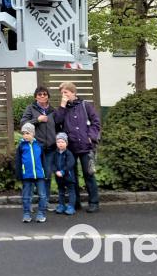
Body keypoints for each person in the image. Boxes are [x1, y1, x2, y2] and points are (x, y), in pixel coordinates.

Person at [53, 82, 101, 213]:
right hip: (71, 148)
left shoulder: (85, 105)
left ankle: (94, 203)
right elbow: (57, 123)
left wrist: (91, 136)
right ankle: (76, 203)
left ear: (73, 93)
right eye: (62, 93)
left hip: (86, 146)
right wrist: (62, 106)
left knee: (88, 174)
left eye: (66, 92)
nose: (64, 95)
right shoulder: (62, 109)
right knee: (71, 176)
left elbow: (96, 122)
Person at [20, 86, 57, 204]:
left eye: (44, 94)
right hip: (36, 147)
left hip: (50, 148)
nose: (42, 96)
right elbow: (23, 124)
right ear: (36, 96)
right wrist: (38, 119)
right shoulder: (30, 108)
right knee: (33, 174)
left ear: (48, 97)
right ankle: (29, 202)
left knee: (47, 175)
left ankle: (45, 202)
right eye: (39, 94)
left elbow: (58, 126)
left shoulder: (53, 110)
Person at [15, 123, 47, 223]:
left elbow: (43, 160)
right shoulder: (21, 146)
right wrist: (19, 174)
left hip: (39, 175)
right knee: (26, 196)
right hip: (27, 175)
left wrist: (45, 171)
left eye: (27, 133)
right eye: (23, 133)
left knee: (42, 195)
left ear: (33, 134)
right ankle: (26, 214)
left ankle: (41, 213)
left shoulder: (39, 145)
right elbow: (18, 161)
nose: (25, 136)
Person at [52, 133, 77, 215]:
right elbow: (53, 164)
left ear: (66, 143)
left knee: (71, 191)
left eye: (62, 142)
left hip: (68, 176)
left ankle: (71, 207)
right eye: (58, 142)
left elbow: (70, 164)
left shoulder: (68, 153)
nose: (60, 144)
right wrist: (56, 171)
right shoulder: (55, 153)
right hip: (59, 177)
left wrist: (63, 171)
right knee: (61, 191)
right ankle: (61, 205)